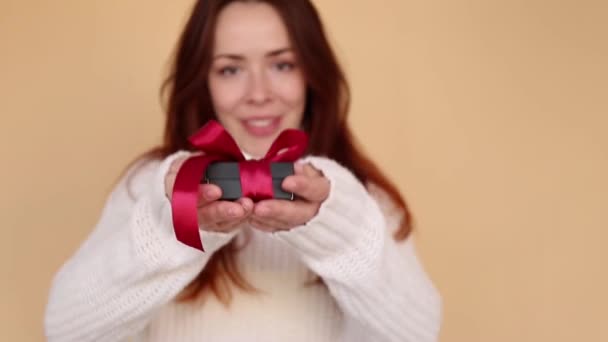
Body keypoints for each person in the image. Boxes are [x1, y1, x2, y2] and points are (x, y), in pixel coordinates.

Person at [44, 0, 442, 341]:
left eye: (282, 65)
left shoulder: (363, 200)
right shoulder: (150, 187)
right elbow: (65, 329)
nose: (258, 93)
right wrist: (175, 224)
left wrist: (335, 225)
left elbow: (420, 333)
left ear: (312, 75)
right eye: (230, 69)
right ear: (203, 82)